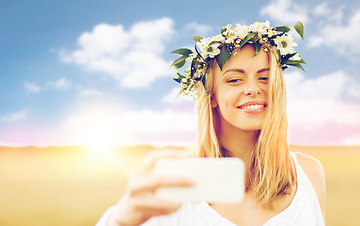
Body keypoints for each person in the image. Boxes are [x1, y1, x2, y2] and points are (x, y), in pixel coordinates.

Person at [96, 20, 326, 226]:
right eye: (235, 80)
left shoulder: (308, 173)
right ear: (212, 96)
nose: (254, 88)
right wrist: (121, 220)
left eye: (265, 78)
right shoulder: (178, 177)